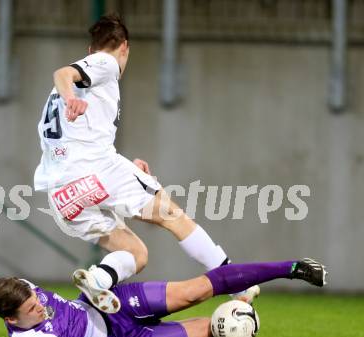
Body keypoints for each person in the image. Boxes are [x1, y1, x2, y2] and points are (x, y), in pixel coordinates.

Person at [33, 13, 256, 312]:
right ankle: (235, 283)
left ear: (89, 48)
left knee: (135, 253)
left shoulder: (61, 95)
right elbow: (63, 73)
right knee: (173, 215)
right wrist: (71, 96)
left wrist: (125, 168)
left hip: (61, 194)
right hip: (96, 172)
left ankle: (99, 278)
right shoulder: (106, 62)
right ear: (124, 47)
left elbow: (80, 142)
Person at [0, 258, 326, 337]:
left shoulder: (21, 287)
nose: (39, 305)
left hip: (111, 305)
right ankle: (228, 319)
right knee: (220, 328)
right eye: (31, 308)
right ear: (11, 319)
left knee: (195, 290)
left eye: (35, 298)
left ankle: (291, 267)